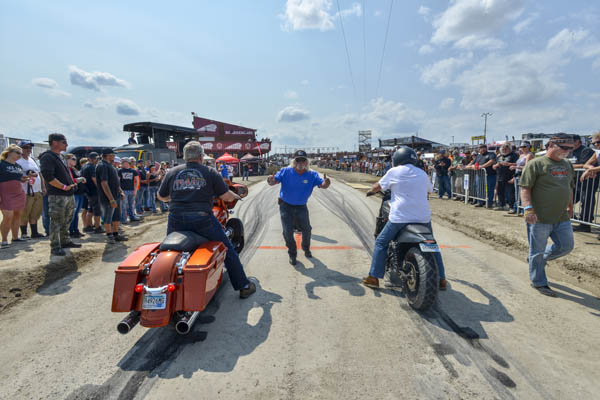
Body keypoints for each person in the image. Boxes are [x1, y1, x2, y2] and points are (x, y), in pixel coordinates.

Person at [157, 141, 256, 299]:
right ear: (201, 156)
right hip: (202, 219)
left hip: (176, 219)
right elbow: (225, 195)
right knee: (227, 249)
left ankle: (163, 285)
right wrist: (236, 196)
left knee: (169, 251)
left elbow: (161, 196)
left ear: (184, 156)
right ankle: (243, 285)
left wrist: (176, 196)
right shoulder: (210, 172)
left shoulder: (172, 172)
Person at [361, 146, 447, 290]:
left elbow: (378, 186)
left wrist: (371, 190)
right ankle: (442, 280)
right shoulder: (422, 173)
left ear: (397, 159)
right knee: (432, 246)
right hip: (423, 218)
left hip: (400, 217)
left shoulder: (394, 171)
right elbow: (430, 190)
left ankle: (374, 277)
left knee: (381, 242)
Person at [519, 133, 575, 297]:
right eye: (564, 148)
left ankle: (537, 260)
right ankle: (539, 281)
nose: (568, 151)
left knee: (566, 246)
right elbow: (525, 188)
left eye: (571, 148)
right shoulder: (536, 164)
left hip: (561, 216)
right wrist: (528, 209)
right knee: (536, 250)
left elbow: (569, 186)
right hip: (540, 217)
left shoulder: (567, 165)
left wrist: (570, 205)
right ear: (551, 145)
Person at [267, 150, 331, 265]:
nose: (300, 162)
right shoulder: (286, 171)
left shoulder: (312, 175)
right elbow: (273, 181)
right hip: (286, 206)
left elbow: (323, 185)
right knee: (287, 232)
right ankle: (292, 253)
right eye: (298, 160)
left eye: (303, 160)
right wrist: (270, 180)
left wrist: (327, 183)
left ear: (307, 162)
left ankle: (306, 248)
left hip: (301, 207)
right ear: (294, 161)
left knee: (307, 229)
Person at [39, 133, 81, 256]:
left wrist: (71, 185)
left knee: (67, 219)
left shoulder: (61, 156)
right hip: (58, 194)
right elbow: (48, 177)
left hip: (68, 194)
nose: (66, 144)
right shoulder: (48, 156)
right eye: (64, 142)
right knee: (57, 220)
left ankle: (65, 241)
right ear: (55, 142)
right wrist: (63, 187)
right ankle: (55, 246)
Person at [96, 148, 127, 244]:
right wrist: (111, 199)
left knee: (116, 216)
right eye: (113, 155)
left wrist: (120, 191)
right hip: (108, 198)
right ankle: (109, 236)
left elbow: (115, 182)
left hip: (116, 195)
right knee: (108, 217)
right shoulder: (102, 166)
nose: (114, 156)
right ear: (108, 155)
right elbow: (104, 183)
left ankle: (115, 234)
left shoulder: (110, 165)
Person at [16, 140, 45, 239]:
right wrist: (27, 175)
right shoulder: (17, 161)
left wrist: (43, 187)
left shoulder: (32, 159)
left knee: (35, 213)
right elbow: (18, 176)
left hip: (37, 190)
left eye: (30, 148)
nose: (28, 150)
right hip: (25, 191)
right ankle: (24, 233)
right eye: (25, 148)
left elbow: (40, 174)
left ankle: (34, 232)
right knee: (24, 213)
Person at [0, 144, 28, 248]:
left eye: (21, 153)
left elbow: (19, 178)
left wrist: (25, 179)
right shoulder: (1, 164)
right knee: (8, 216)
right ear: (9, 152)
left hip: (19, 193)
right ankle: (3, 240)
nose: (20, 155)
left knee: (17, 215)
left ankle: (15, 237)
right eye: (18, 153)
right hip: (5, 193)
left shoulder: (18, 166)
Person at [570, 134, 598, 232]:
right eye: (594, 143)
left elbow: (583, 164)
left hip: (587, 181)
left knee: (586, 201)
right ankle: (571, 218)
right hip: (575, 180)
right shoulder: (570, 152)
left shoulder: (586, 150)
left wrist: (567, 166)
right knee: (568, 199)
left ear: (578, 141)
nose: (596, 145)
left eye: (572, 140)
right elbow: (586, 164)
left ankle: (585, 224)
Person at [80, 152, 103, 233]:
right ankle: (97, 227)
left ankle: (88, 226)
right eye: (96, 159)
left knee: (91, 210)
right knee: (97, 210)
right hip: (94, 191)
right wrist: (101, 189)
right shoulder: (92, 167)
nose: (97, 160)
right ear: (92, 159)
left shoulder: (84, 166)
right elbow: (94, 179)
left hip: (88, 191)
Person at [508, 142, 534, 215]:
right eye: (521, 146)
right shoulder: (521, 155)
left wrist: (515, 167)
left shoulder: (529, 155)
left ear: (528, 147)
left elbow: (527, 167)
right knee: (517, 193)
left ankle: (523, 210)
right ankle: (517, 208)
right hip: (517, 175)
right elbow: (517, 164)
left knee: (523, 193)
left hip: (524, 175)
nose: (522, 148)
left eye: (524, 146)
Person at [492, 143, 519, 211]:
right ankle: (501, 205)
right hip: (500, 177)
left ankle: (512, 207)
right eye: (503, 149)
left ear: (509, 149)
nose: (504, 150)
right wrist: (495, 166)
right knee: (500, 192)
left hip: (510, 176)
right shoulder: (499, 156)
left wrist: (508, 164)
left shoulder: (514, 155)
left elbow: (518, 164)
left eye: (506, 149)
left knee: (510, 193)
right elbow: (494, 165)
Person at [65, 153, 87, 238]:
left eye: (75, 159)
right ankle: (71, 231)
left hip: (79, 193)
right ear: (67, 160)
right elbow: (70, 180)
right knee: (72, 213)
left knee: (76, 213)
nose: (75, 161)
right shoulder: (66, 169)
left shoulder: (73, 169)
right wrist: (80, 179)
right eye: (73, 159)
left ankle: (75, 230)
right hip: (74, 194)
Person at [118, 159, 140, 223]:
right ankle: (123, 219)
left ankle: (132, 217)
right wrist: (120, 190)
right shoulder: (120, 171)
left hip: (131, 190)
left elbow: (137, 180)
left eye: (126, 163)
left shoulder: (133, 171)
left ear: (129, 163)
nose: (125, 164)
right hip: (123, 190)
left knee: (132, 205)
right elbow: (118, 181)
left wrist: (135, 189)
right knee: (124, 206)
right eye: (123, 163)